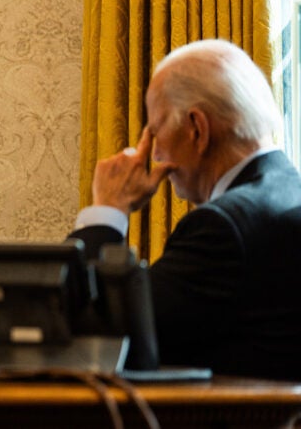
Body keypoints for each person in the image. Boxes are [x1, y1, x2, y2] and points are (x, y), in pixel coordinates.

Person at [70, 39, 301, 380]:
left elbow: (97, 339)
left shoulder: (222, 229)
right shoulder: (289, 193)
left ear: (197, 128)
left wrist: (107, 210)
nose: (154, 152)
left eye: (154, 131)